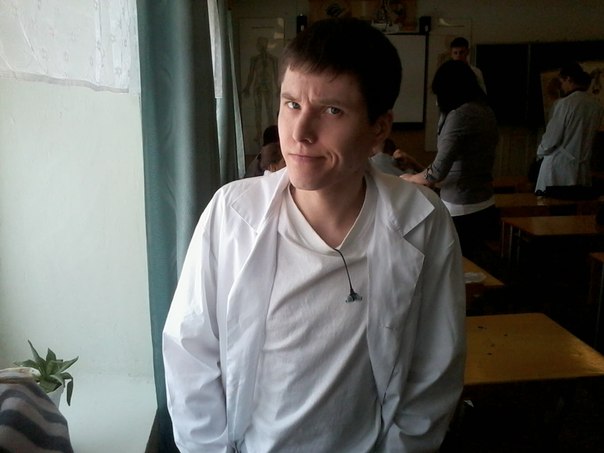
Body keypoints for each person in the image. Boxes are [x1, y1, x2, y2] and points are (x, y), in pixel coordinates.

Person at [163, 17, 465, 453]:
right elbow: (190, 352)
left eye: (331, 110)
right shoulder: (231, 215)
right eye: (291, 104)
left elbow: (435, 366)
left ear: (379, 129)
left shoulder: (422, 221)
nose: (300, 133)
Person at [402, 60, 499, 261]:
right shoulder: (486, 110)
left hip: (462, 208)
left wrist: (408, 179)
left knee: (457, 266)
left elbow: (437, 172)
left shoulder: (460, 115)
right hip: (485, 202)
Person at [534, 62, 604, 195]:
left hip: (558, 170)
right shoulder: (596, 106)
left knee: (550, 204)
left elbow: (551, 139)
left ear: (568, 79)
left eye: (562, 82)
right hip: (582, 169)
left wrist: (540, 152)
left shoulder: (565, 104)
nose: (561, 87)